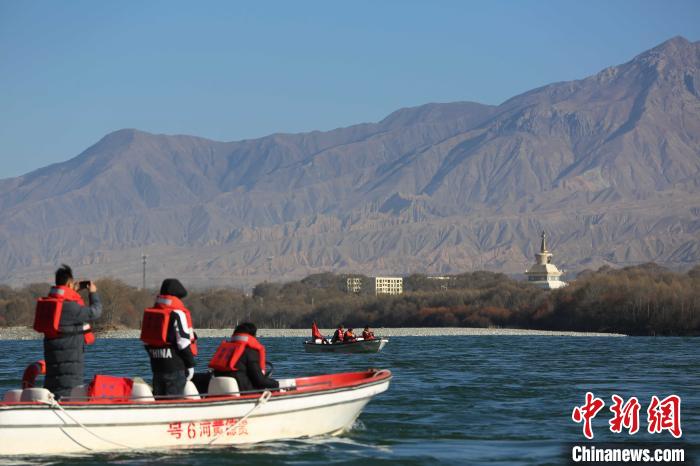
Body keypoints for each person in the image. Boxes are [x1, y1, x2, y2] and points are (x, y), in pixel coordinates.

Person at [34, 264, 102, 399]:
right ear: (69, 284)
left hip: (53, 367)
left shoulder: (50, 305)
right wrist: (93, 293)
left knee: (54, 393)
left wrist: (73, 291)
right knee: (67, 395)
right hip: (71, 370)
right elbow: (96, 312)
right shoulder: (70, 308)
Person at [140, 278, 197, 397]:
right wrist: (190, 364)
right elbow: (183, 342)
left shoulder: (152, 313)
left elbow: (146, 341)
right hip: (175, 367)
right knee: (173, 401)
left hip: (157, 367)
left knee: (159, 399)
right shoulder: (177, 313)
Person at [208, 322, 279, 392]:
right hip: (244, 392)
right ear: (253, 335)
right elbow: (260, 381)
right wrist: (276, 384)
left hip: (220, 390)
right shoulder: (250, 352)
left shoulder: (227, 350)